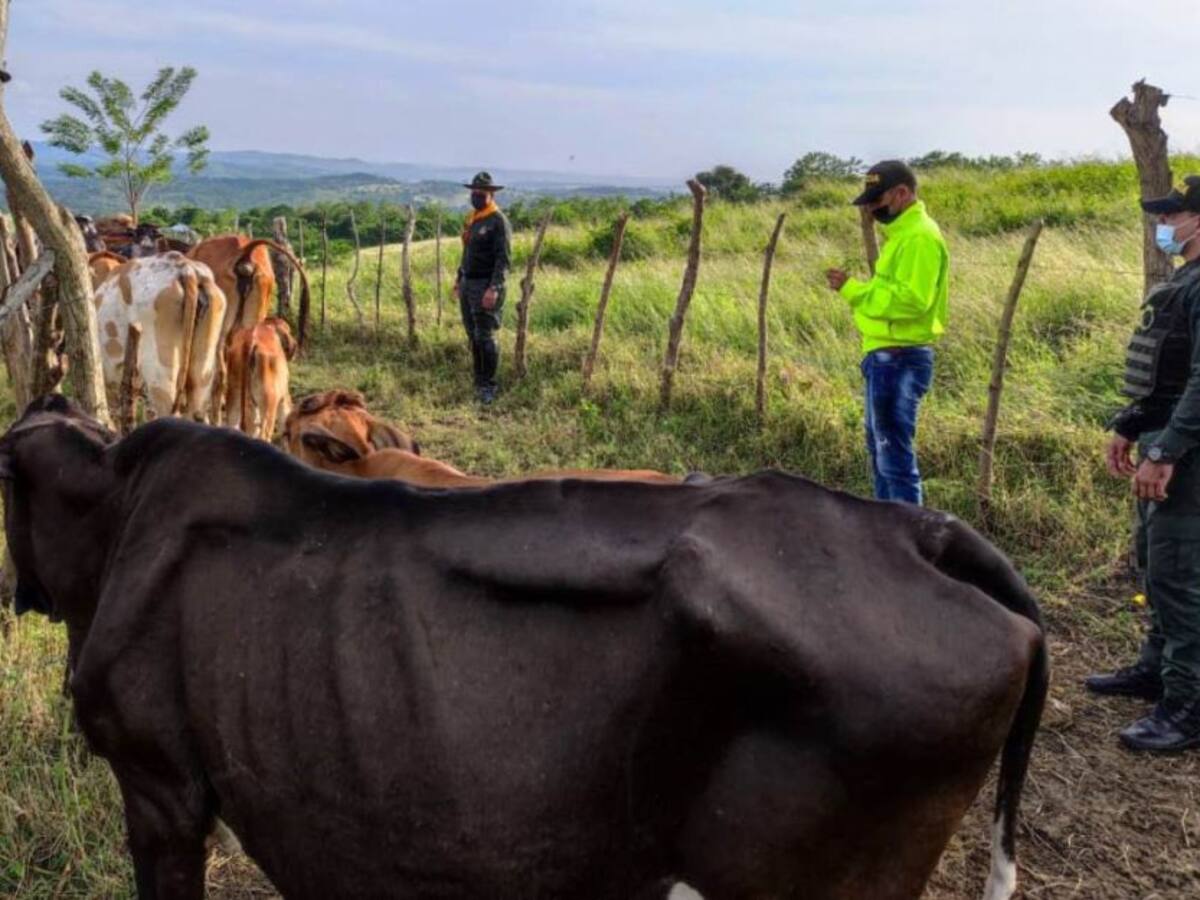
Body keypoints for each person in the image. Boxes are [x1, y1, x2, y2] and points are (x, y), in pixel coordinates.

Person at [1087, 175, 1200, 753]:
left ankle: (1188, 708)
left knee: (1179, 575)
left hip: (1188, 455)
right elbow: (1169, 372)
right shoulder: (1186, 280)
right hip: (1166, 439)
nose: (1164, 224)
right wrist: (1130, 425)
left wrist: (1165, 451)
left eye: (1173, 214)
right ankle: (1156, 670)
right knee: (1155, 564)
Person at [825, 160, 949, 505]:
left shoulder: (919, 237)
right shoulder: (903, 236)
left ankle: (907, 533)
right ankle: (884, 529)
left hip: (899, 358)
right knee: (881, 453)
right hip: (886, 356)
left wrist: (853, 290)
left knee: (893, 458)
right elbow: (893, 291)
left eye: (877, 200)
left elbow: (912, 301)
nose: (872, 209)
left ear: (902, 193)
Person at [454, 171, 512, 404]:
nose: (476, 196)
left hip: (486, 284)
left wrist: (494, 288)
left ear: (491, 194)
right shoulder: (473, 219)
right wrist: (459, 278)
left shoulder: (498, 221)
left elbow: (503, 260)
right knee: (473, 334)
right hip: (468, 283)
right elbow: (467, 253)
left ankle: (488, 386)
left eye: (481, 193)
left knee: (485, 335)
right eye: (474, 192)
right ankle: (478, 379)